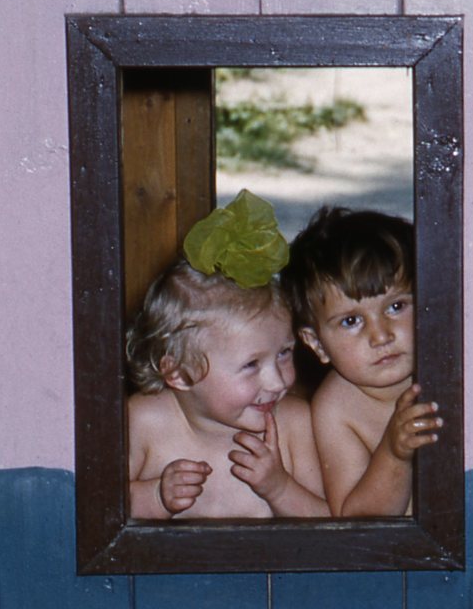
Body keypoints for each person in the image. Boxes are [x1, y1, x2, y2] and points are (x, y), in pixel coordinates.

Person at [124, 193, 328, 520]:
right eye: (251, 365)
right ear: (179, 373)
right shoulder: (144, 421)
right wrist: (155, 496)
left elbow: (335, 528)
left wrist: (280, 488)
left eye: (285, 353)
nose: (278, 382)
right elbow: (98, 517)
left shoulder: (294, 424)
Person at [283, 206, 443, 517]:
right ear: (316, 344)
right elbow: (355, 518)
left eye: (396, 306)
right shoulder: (336, 408)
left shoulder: (446, 368)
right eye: (351, 321)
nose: (381, 335)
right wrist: (394, 454)